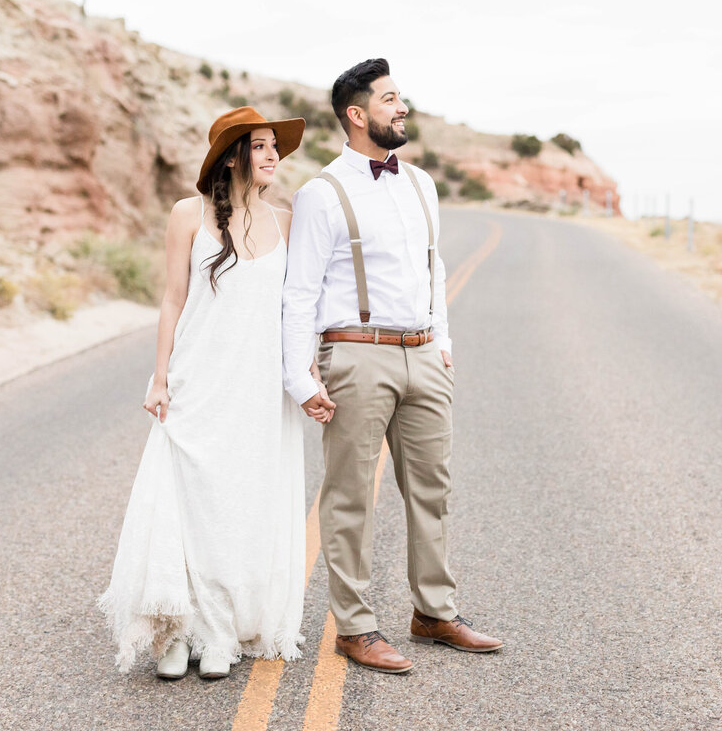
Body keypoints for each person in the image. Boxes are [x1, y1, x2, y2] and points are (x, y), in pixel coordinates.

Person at [282, 59, 503, 675]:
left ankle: (434, 611)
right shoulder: (321, 194)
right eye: (389, 99)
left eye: (400, 97)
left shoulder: (421, 184)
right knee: (350, 495)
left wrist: (445, 342)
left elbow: (432, 269)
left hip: (424, 354)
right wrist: (301, 376)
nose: (401, 108)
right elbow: (299, 294)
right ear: (357, 115)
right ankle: (355, 627)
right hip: (356, 354)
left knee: (432, 490)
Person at [99, 106, 327, 680]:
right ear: (231, 155)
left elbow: (298, 308)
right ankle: (175, 631)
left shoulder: (284, 221)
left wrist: (306, 373)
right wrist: (159, 376)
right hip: (198, 379)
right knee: (188, 499)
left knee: (240, 506)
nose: (274, 155)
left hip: (258, 389)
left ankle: (222, 629)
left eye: (276, 146)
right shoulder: (187, 215)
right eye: (260, 145)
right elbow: (173, 298)